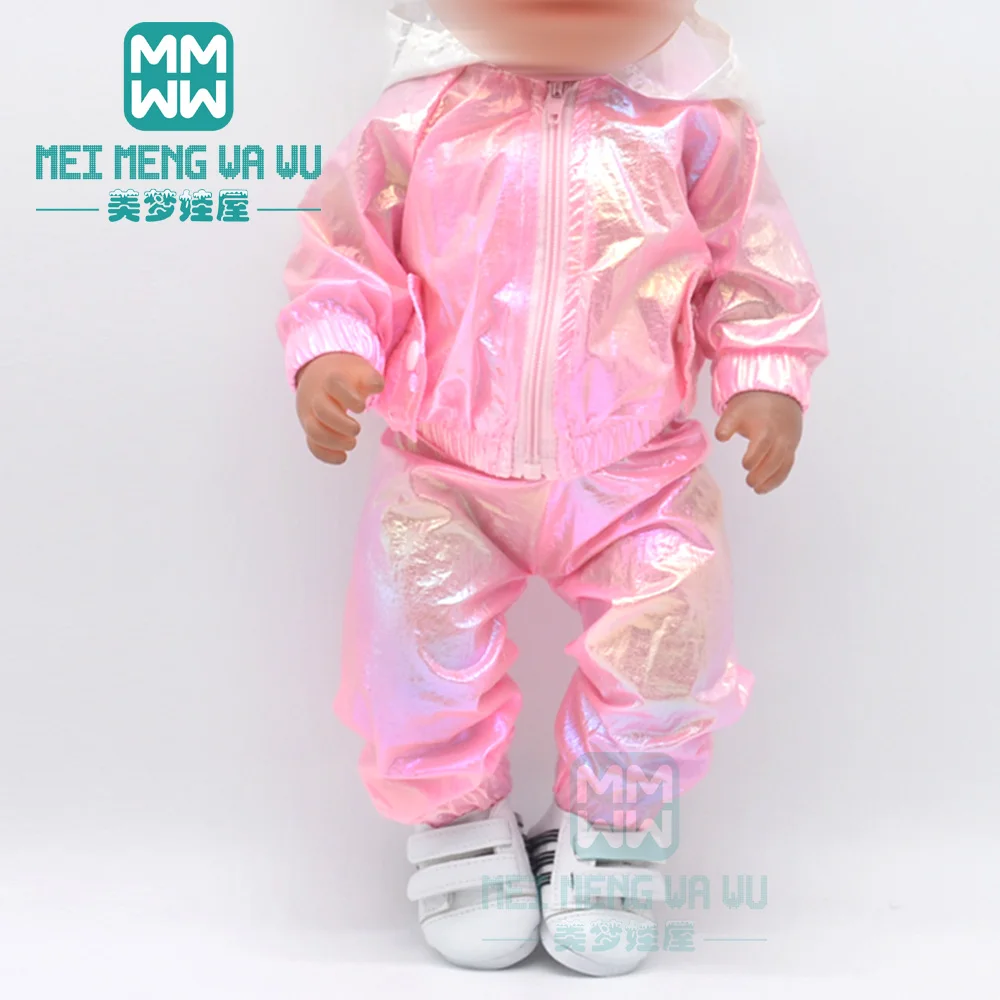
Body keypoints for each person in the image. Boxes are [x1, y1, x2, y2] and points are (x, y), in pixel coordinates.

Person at [276, 0, 827, 976]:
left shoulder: (696, 123)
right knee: (412, 639)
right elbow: (348, 253)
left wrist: (765, 374)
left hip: (639, 468)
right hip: (444, 464)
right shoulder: (416, 116)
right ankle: (455, 822)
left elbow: (751, 264)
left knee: (670, 633)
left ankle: (613, 826)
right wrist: (332, 349)